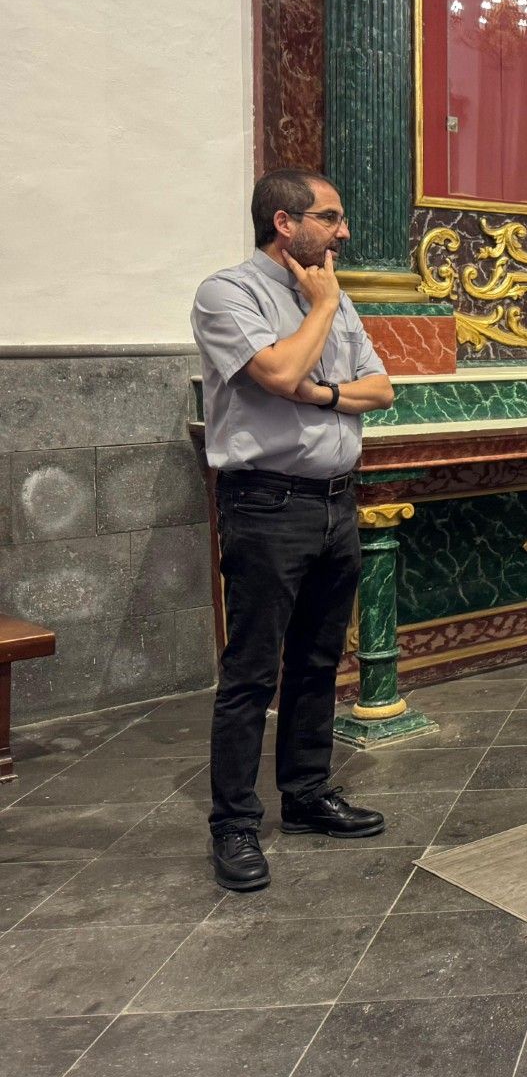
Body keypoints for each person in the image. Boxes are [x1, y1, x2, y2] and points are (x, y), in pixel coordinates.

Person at [190, 170, 395, 892]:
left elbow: (381, 387)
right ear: (285, 222)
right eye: (331, 218)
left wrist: (323, 391)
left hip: (338, 502)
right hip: (267, 504)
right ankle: (235, 825)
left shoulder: (329, 297)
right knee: (251, 674)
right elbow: (276, 372)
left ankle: (306, 797)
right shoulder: (229, 294)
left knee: (315, 663)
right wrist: (324, 308)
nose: (342, 232)